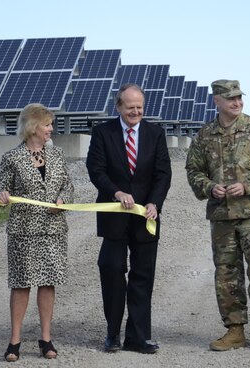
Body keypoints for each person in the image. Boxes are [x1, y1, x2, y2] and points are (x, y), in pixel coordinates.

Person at [185, 79, 250, 352]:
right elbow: (193, 170)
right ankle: (235, 329)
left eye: (239, 97)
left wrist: (249, 185)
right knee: (227, 275)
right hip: (222, 217)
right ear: (217, 101)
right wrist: (208, 187)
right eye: (231, 98)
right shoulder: (205, 136)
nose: (237, 102)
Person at [86, 83, 172, 354]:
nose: (136, 111)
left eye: (140, 107)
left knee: (142, 276)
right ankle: (112, 333)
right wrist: (116, 192)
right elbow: (96, 170)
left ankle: (138, 337)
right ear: (119, 106)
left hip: (146, 216)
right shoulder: (103, 133)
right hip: (114, 215)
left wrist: (154, 202)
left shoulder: (155, 133)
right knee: (111, 269)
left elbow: (163, 174)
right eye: (130, 106)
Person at [0, 103, 75, 362]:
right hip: (23, 231)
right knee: (20, 284)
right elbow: (2, 190)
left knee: (47, 282)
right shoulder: (12, 158)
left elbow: (68, 186)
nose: (51, 129)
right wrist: (3, 196)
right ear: (33, 127)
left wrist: (62, 201)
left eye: (51, 124)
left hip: (53, 230)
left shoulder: (58, 155)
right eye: (47, 124)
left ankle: (45, 338)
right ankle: (14, 341)